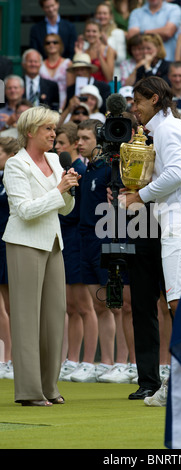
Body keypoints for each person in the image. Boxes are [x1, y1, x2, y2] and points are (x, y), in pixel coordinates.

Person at [119, 76, 181, 406]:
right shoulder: (169, 130)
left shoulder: (169, 130)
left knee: (180, 305)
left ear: (156, 99)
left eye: (138, 101)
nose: (134, 108)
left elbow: (177, 174)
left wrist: (138, 198)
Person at [2, 106, 80, 406]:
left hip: (53, 243)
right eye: (48, 129)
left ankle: (49, 387)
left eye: (54, 128)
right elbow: (24, 211)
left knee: (53, 317)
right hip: (24, 243)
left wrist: (68, 191)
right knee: (26, 319)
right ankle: (29, 392)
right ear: (30, 131)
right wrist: (58, 188)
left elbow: (64, 210)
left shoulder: (53, 159)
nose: (53, 134)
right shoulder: (15, 165)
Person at [77, 119, 136, 383]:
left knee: (121, 304)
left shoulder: (111, 168)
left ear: (99, 140)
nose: (80, 143)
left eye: (86, 138)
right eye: (78, 137)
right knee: (100, 303)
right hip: (86, 239)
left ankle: (127, 364)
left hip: (108, 237)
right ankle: (107, 363)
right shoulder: (87, 169)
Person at [54, 122, 100, 382]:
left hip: (79, 239)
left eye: (62, 143)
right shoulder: (65, 171)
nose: (57, 147)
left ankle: (89, 362)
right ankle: (71, 360)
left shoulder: (81, 170)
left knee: (85, 305)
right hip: (65, 239)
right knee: (70, 306)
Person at [0, 137, 20, 380]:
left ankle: (10, 358)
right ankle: (6, 357)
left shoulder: (12, 178)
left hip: (8, 242)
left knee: (10, 305)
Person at [94, 2, 127, 85]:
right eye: (99, 13)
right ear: (95, 15)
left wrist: (107, 46)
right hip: (94, 78)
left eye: (105, 13)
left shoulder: (118, 33)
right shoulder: (91, 33)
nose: (102, 16)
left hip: (113, 79)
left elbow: (121, 59)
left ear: (111, 16)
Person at [39, 33, 74, 111]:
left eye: (55, 42)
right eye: (48, 43)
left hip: (64, 102)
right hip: (44, 104)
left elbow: (70, 90)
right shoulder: (40, 64)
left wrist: (63, 109)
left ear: (60, 44)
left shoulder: (67, 63)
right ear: (44, 46)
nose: (51, 45)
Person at [75, 19, 115, 84]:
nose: (91, 34)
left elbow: (109, 77)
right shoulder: (83, 51)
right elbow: (79, 76)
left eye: (94, 31)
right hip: (87, 88)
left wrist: (100, 57)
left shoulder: (108, 50)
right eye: (88, 31)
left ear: (100, 33)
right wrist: (79, 56)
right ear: (84, 33)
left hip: (103, 88)